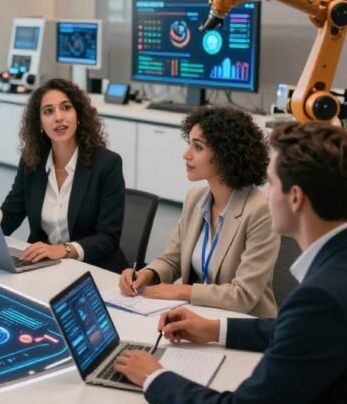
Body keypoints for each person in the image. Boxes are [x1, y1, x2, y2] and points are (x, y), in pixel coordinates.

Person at [114, 122, 347, 404]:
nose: (265, 194)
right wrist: (215, 329)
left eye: (271, 184)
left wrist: (155, 377)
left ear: (296, 198)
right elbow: (296, 331)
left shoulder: (322, 298)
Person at [0, 78, 128, 272]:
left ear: (78, 115)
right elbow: (8, 222)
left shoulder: (107, 164)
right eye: (48, 111)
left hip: (95, 268)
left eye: (66, 107)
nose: (58, 117)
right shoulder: (32, 163)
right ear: (40, 123)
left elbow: (108, 237)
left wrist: (63, 250)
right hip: (48, 267)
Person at [118, 106, 280, 317]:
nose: (186, 154)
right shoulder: (195, 199)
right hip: (198, 316)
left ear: (225, 155)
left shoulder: (260, 211)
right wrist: (148, 275)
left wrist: (180, 291)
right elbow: (171, 260)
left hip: (244, 325)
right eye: (189, 144)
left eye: (198, 147)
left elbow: (243, 296)